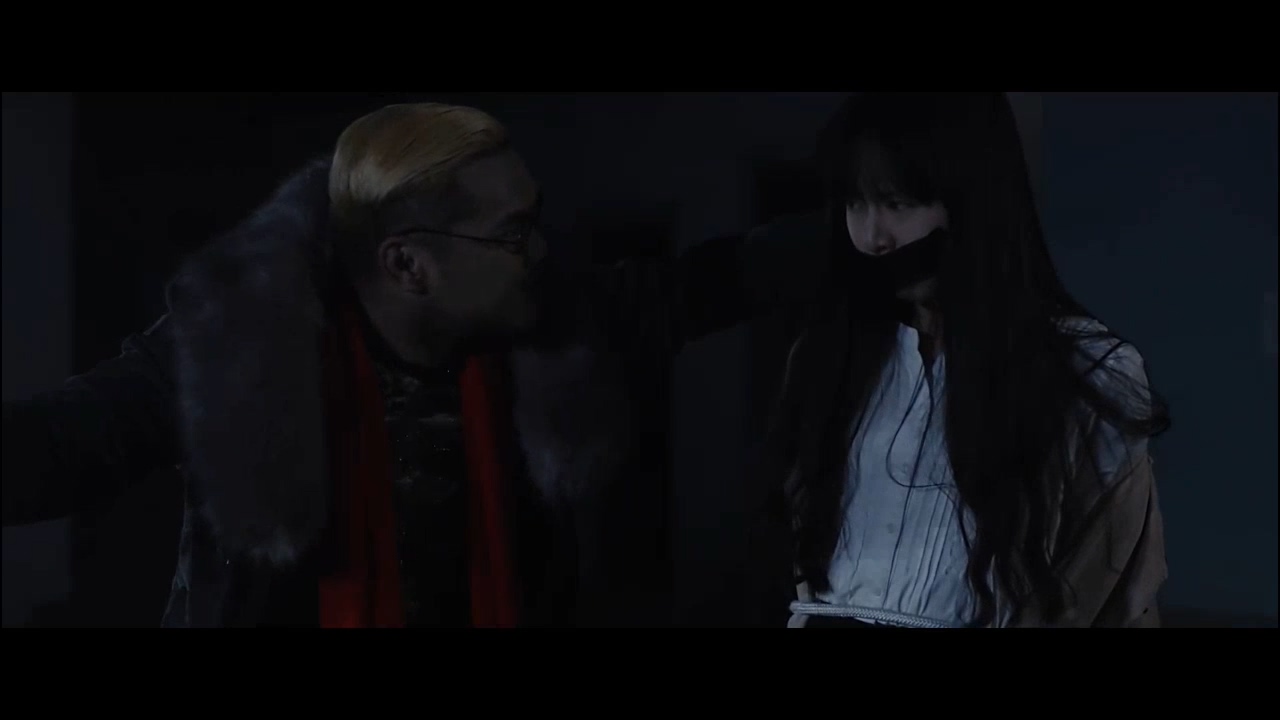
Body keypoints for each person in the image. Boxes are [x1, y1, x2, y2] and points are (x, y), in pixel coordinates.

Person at [1, 102, 690, 628]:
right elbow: (56, 448)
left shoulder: (543, 329)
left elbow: (691, 288)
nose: (539, 251)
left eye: (533, 222)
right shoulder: (238, 348)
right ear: (407, 264)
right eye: (513, 234)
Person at [746, 92, 1171, 628]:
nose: (873, 238)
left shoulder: (1085, 372)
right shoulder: (825, 361)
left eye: (898, 204)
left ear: (972, 201)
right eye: (855, 204)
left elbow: (1108, 584)